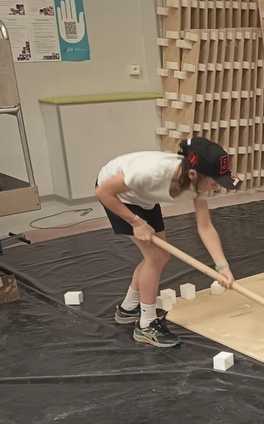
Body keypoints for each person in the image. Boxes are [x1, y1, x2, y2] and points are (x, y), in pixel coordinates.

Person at [95, 137, 240, 348]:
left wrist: (222, 266)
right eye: (214, 180)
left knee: (158, 257)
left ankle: (128, 309)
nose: (217, 186)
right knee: (156, 256)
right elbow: (102, 192)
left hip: (144, 197)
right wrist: (136, 222)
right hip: (118, 196)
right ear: (193, 174)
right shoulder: (151, 172)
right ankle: (146, 325)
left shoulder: (195, 182)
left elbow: (205, 226)